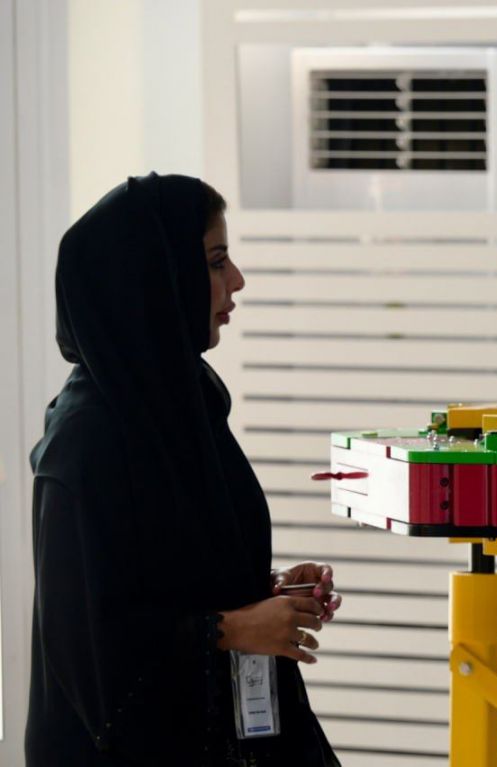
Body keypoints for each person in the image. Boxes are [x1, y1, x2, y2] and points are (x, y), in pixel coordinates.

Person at [27, 173, 343, 766]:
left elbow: (164, 574)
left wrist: (264, 592)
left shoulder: (186, 405)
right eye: (216, 262)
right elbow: (91, 650)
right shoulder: (83, 443)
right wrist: (232, 629)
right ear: (153, 279)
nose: (237, 280)